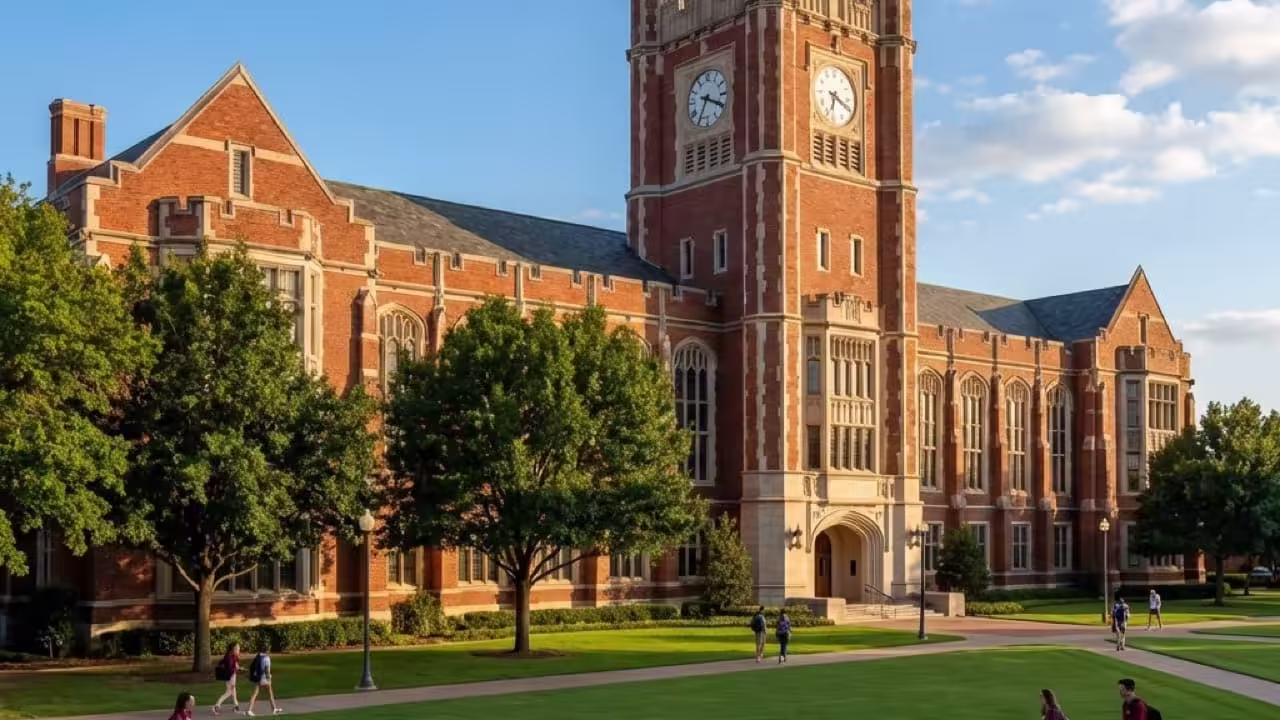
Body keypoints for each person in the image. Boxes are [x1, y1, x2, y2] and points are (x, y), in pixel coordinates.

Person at [245, 647, 282, 716]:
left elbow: (252, 666)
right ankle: (274, 709)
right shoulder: (267, 658)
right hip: (264, 678)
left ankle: (249, 710)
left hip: (257, 678)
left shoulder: (258, 656)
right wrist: (269, 678)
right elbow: (267, 671)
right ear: (267, 651)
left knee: (255, 694)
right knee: (269, 693)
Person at [212, 641, 242, 715]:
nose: (239, 650)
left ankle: (236, 706)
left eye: (239, 648)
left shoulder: (233, 656)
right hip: (230, 676)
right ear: (233, 649)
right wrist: (237, 668)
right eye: (237, 649)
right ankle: (216, 706)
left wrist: (238, 667)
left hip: (232, 675)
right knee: (229, 692)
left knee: (233, 691)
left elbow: (235, 665)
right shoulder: (229, 657)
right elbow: (230, 669)